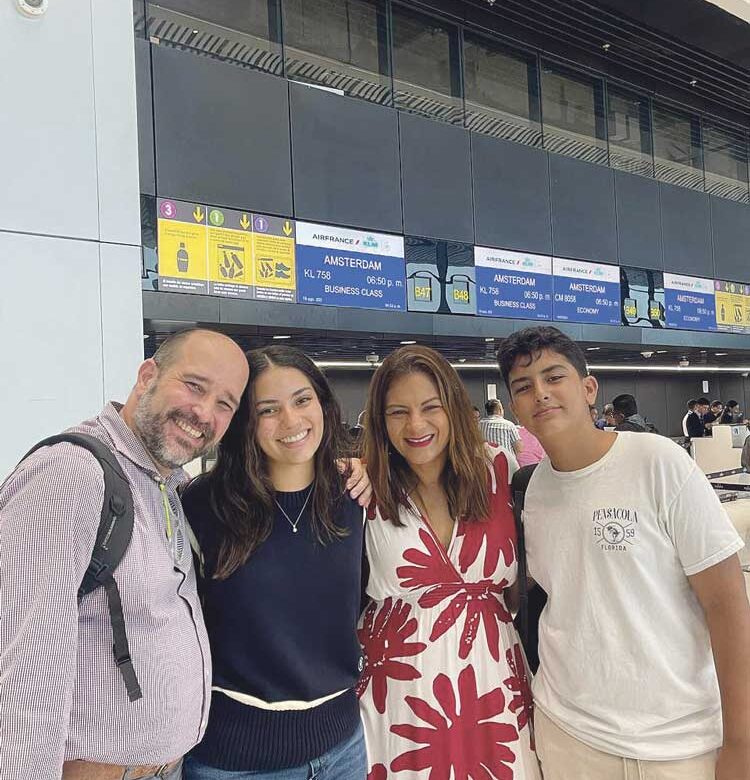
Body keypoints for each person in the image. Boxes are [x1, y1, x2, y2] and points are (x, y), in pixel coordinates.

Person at [496, 326, 750, 780]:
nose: (541, 394)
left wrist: (741, 742)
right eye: (524, 386)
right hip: (567, 733)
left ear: (589, 388)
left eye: (555, 377)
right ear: (514, 406)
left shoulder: (658, 462)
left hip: (678, 744)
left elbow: (727, 603)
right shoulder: (530, 490)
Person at [0, 329, 251, 780]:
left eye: (224, 404)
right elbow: (25, 667)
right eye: (194, 386)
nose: (203, 413)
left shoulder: (164, 484)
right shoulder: (72, 474)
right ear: (146, 375)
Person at [181, 345, 369, 780]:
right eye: (268, 410)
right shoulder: (203, 506)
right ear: (246, 423)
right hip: (236, 759)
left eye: (302, 400)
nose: (291, 421)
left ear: (323, 404)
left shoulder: (353, 496)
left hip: (343, 745)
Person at [358, 345, 540, 780]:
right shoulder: (364, 486)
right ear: (381, 421)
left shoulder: (497, 469)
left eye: (430, 407)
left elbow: (519, 581)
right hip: (400, 688)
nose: (416, 425)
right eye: (397, 412)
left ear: (454, 409)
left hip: (493, 677)